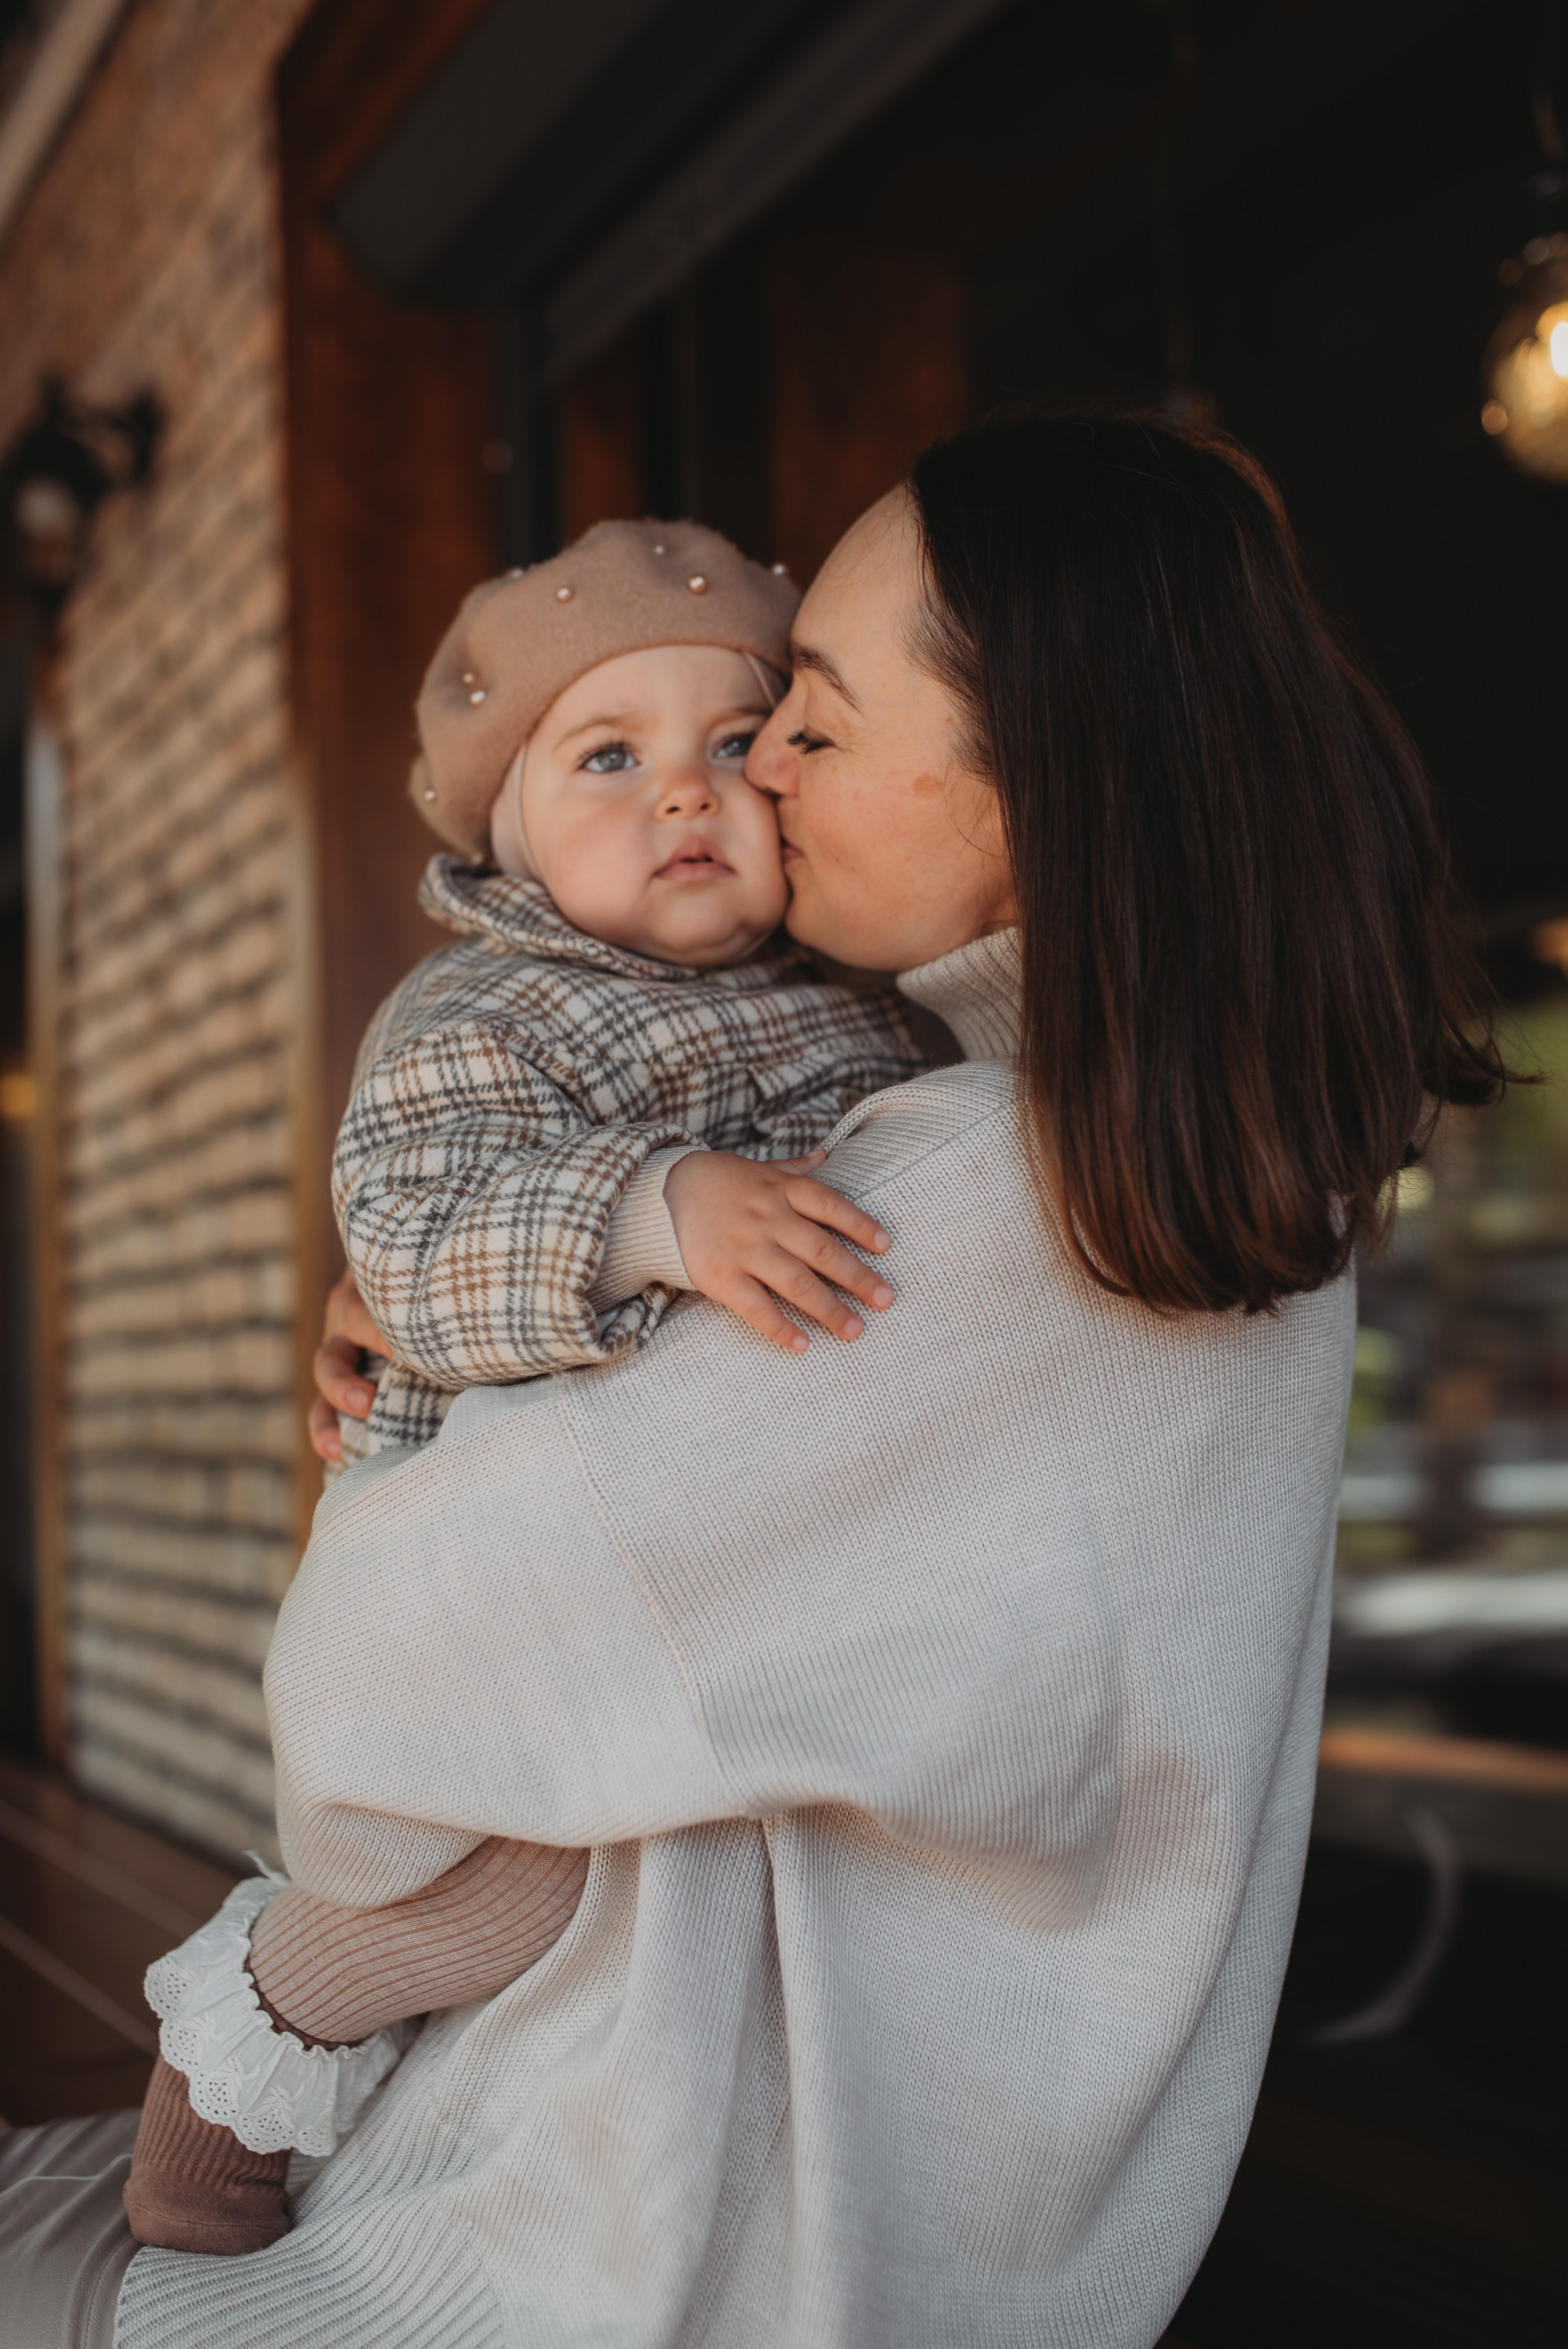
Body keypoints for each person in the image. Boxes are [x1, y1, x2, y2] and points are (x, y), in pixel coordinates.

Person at [0, 410, 1507, 2349]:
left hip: (630, 2235)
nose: (750, 770)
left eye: (810, 717)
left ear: (1030, 785)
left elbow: (387, 1672)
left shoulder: (975, 1196)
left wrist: (403, 1439)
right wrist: (470, 1281)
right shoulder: (1183, 1160)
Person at [121, 518, 924, 2256]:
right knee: (491, 1894)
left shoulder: (869, 1008)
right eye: (609, 756)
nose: (689, 796)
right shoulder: (484, 1015)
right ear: (506, 835)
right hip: (475, 1582)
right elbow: (405, 1243)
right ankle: (236, 2060)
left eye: (736, 740)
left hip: (700, 1570)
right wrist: (649, 1207)